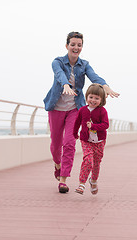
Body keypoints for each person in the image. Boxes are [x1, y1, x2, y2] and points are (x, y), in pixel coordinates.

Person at [43, 32, 119, 193]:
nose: (76, 47)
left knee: (69, 143)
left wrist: (105, 86)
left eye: (79, 45)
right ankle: (57, 164)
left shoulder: (84, 65)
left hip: (74, 109)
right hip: (56, 108)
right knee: (56, 146)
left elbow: (94, 77)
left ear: (81, 47)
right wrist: (65, 85)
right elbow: (59, 75)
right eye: (73, 44)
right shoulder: (57, 62)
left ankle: (63, 180)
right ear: (67, 46)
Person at [73, 84, 108, 195]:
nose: (93, 100)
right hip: (86, 140)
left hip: (99, 141)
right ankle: (81, 184)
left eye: (97, 98)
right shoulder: (83, 110)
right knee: (88, 160)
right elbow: (77, 122)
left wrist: (93, 126)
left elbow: (106, 125)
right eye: (91, 97)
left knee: (96, 163)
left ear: (101, 100)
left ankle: (93, 181)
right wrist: (74, 133)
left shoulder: (102, 111)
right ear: (87, 97)